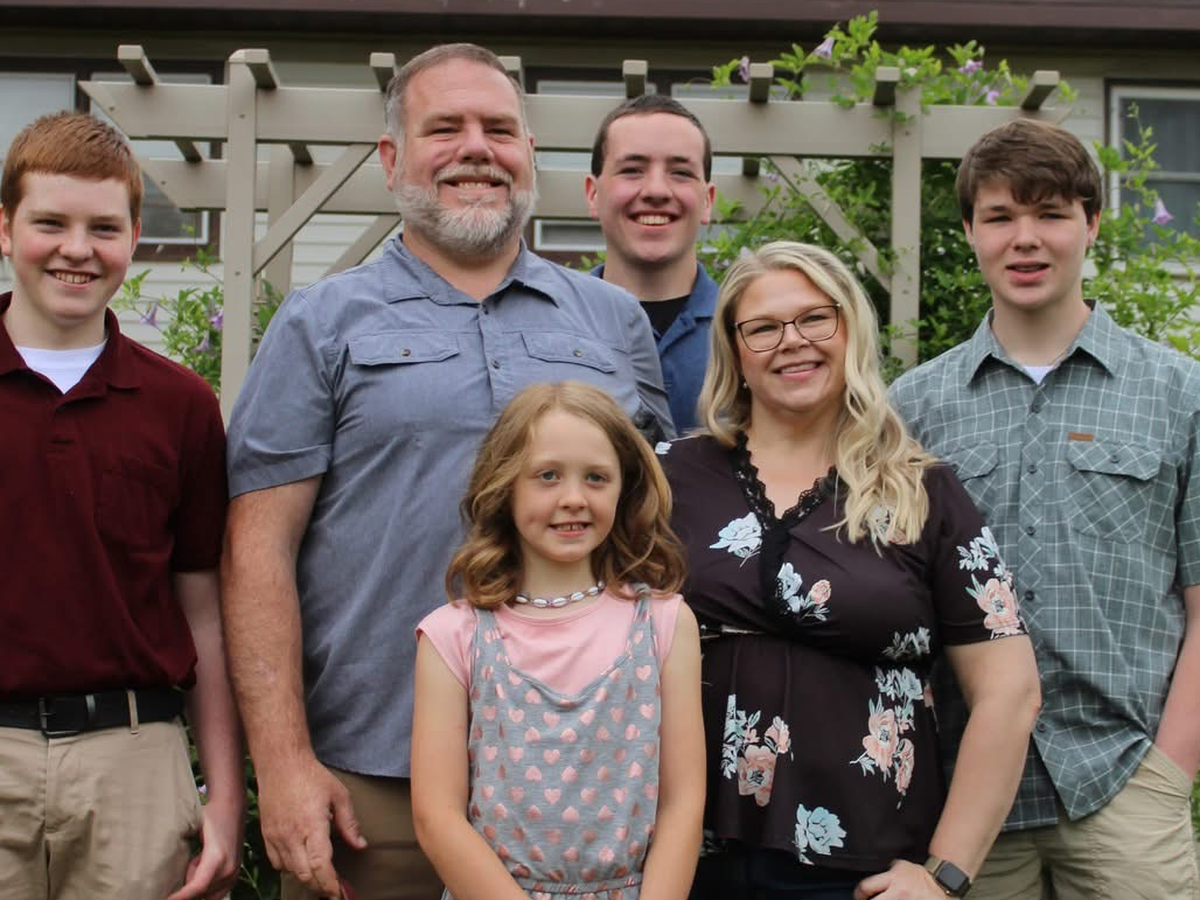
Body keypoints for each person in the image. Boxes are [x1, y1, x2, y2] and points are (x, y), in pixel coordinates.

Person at [222, 43, 674, 900]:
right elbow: (256, 551)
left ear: (529, 152)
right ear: (392, 158)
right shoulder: (322, 321)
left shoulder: (613, 322)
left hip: (586, 786)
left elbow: (646, 538)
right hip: (372, 786)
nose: (477, 149)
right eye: (445, 129)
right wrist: (281, 764)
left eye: (499, 128)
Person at [657, 241, 1041, 900]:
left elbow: (1010, 691)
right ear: (735, 352)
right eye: (763, 328)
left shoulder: (922, 492)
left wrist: (945, 874)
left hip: (863, 868)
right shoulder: (668, 479)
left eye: (815, 318)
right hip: (683, 856)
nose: (792, 340)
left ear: (851, 332)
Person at [890, 118, 1200, 899]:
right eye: (999, 216)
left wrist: (1171, 769)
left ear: (1091, 223)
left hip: (1127, 782)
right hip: (966, 800)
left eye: (1051, 214)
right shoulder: (912, 409)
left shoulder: (1179, 394)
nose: (1024, 239)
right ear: (970, 232)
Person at [0, 112, 242, 900]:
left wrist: (226, 797)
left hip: (133, 759)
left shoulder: (181, 406)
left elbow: (201, 607)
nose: (77, 249)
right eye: (50, 223)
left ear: (134, 237)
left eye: (103, 227)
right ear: (5, 229)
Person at [412, 380, 704, 900]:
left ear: (624, 488)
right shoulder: (453, 636)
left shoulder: (663, 624)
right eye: (547, 476)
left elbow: (682, 803)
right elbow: (437, 816)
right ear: (504, 486)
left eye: (596, 477)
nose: (573, 499)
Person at [586, 94, 717, 431]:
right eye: (632, 171)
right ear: (593, 194)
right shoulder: (553, 328)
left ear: (708, 201)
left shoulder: (749, 328)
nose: (656, 190)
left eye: (680, 173)